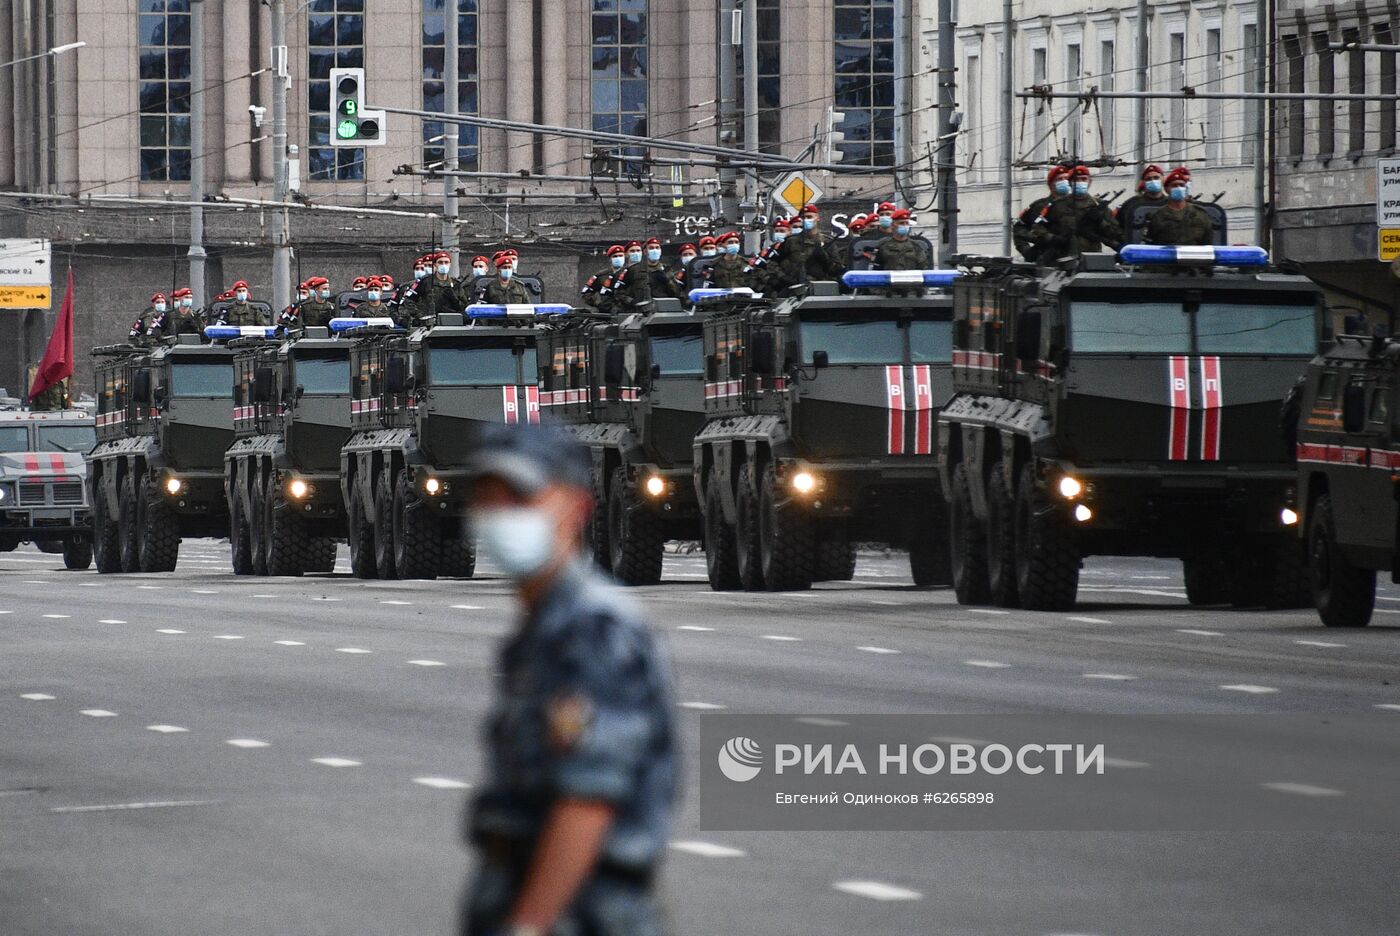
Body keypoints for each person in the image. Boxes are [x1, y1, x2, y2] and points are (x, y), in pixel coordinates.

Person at [460, 423, 676, 936]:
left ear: (576, 508)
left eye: (521, 498)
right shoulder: (545, 625)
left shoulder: (592, 630)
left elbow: (586, 800)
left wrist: (530, 925)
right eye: (488, 498)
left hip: (583, 912)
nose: (500, 514)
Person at [1041, 166, 1122, 258]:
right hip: (1063, 257)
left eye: (1084, 179)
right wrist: (1053, 238)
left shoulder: (1098, 206)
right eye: (1076, 180)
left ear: (1089, 182)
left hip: (1091, 258)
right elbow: (1037, 228)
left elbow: (1116, 233)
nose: (1080, 182)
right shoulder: (1057, 205)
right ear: (1070, 183)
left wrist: (1100, 221)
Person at [769, 203, 839, 290]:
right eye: (803, 217)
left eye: (809, 217)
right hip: (793, 287)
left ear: (817, 218)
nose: (806, 220)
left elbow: (837, 270)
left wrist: (825, 260)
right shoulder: (791, 241)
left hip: (820, 288)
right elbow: (773, 263)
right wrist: (783, 277)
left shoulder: (827, 242)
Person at [1012, 166, 1071, 262]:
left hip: (1073, 258)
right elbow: (1019, 228)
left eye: (1067, 179)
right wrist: (1027, 251)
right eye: (1060, 179)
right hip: (1046, 260)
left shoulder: (1076, 205)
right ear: (1051, 184)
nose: (1064, 182)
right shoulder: (1039, 206)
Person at [1145, 167, 1215, 247]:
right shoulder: (1158, 216)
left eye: (1181, 185)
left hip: (1194, 254)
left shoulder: (1200, 214)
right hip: (1168, 254)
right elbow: (1151, 245)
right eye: (1174, 185)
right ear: (1167, 189)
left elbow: (1208, 243)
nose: (1178, 188)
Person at [1114, 164, 1167, 241]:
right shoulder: (1131, 204)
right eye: (1148, 179)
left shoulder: (1170, 203)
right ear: (1143, 182)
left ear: (1163, 179)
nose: (1153, 181)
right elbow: (1117, 227)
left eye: (1156, 178)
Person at [582, 245, 625, 313]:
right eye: (615, 256)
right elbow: (586, 292)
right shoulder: (601, 275)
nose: (618, 258)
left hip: (625, 313)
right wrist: (598, 302)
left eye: (621, 256)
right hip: (605, 313)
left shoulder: (630, 273)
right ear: (610, 259)